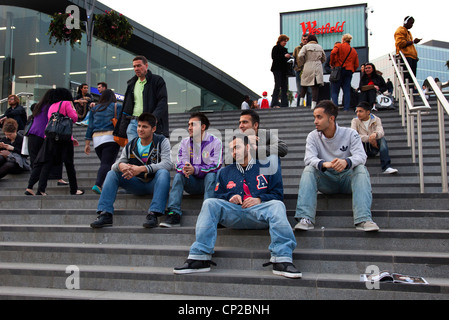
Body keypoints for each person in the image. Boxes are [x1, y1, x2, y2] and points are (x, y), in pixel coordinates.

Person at [173, 134, 301, 279]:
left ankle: (282, 259)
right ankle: (200, 257)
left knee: (277, 205)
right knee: (209, 203)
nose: (234, 152)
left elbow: (277, 194)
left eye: (237, 147)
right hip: (233, 213)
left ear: (248, 147)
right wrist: (229, 197)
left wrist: (259, 199)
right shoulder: (224, 172)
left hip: (258, 213)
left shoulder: (268, 167)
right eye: (231, 149)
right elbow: (217, 195)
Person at [294, 100, 379, 232]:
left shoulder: (350, 134)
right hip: (327, 181)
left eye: (319, 117)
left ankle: (364, 219)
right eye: (314, 117)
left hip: (347, 180)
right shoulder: (312, 136)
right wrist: (324, 164)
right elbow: (309, 159)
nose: (315, 121)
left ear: (331, 118)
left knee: (361, 168)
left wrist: (347, 162)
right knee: (309, 170)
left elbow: (361, 156)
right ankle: (305, 218)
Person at [90, 112, 172, 229]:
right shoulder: (131, 145)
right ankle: (105, 213)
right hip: (136, 184)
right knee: (112, 173)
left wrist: (142, 169)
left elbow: (168, 164)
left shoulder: (161, 141)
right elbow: (115, 165)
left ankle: (153, 214)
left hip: (154, 183)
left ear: (153, 129)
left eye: (144, 127)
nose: (140, 129)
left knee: (163, 172)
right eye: (139, 126)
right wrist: (122, 166)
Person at [164, 112, 223, 228]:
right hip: (191, 183)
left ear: (202, 127)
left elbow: (215, 165)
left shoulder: (215, 142)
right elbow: (179, 164)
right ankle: (174, 213)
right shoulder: (184, 142)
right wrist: (185, 169)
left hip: (208, 183)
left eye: (193, 125)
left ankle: (209, 214)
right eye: (189, 125)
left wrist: (195, 170)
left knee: (212, 175)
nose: (189, 128)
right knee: (178, 176)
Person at [26, 88, 84, 196]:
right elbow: (74, 118)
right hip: (65, 139)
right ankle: (74, 189)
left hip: (51, 138)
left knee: (47, 163)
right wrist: (72, 108)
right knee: (69, 164)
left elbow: (51, 122)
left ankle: (41, 190)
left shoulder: (52, 106)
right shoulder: (66, 103)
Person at [113, 56, 169, 142]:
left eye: (139, 65)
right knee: (134, 153)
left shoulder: (157, 80)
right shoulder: (131, 84)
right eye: (134, 66)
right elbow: (126, 106)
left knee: (150, 152)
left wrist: (153, 118)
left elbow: (162, 101)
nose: (136, 68)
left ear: (146, 65)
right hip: (133, 123)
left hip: (149, 123)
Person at [25, 89, 68, 189]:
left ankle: (32, 182)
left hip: (32, 134)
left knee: (35, 159)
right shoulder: (53, 107)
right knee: (55, 155)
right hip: (44, 134)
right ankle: (57, 178)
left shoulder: (38, 106)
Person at [84, 89, 123, 194]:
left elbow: (90, 126)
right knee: (107, 163)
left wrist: (87, 143)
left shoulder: (94, 109)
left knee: (107, 164)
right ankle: (98, 184)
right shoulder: (116, 106)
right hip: (110, 138)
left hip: (96, 140)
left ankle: (110, 184)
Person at [351, 102, 398, 174]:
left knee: (382, 140)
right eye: (357, 111)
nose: (358, 113)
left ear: (368, 112)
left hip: (373, 147)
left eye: (360, 111)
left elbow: (381, 132)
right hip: (362, 149)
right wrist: (370, 138)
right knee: (351, 141)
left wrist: (375, 134)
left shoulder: (376, 119)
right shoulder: (355, 121)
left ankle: (386, 167)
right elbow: (354, 135)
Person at [330, 34, 359, 111]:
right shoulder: (353, 50)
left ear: (343, 40)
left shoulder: (339, 46)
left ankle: (335, 108)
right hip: (349, 71)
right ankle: (346, 108)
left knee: (335, 91)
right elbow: (356, 64)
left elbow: (333, 53)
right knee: (346, 90)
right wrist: (352, 70)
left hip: (338, 69)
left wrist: (332, 63)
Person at [297, 34, 326, 110]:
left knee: (304, 84)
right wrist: (320, 62)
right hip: (317, 67)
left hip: (308, 65)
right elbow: (324, 58)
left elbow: (300, 55)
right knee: (315, 87)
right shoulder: (320, 47)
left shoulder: (305, 47)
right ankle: (313, 105)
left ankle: (301, 101)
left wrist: (303, 62)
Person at [394, 16, 421, 88]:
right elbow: (400, 44)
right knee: (407, 78)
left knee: (412, 79)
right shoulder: (400, 30)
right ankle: (408, 94)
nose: (412, 25)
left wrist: (415, 56)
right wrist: (413, 41)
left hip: (411, 57)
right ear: (405, 22)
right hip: (406, 57)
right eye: (411, 23)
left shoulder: (408, 32)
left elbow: (409, 44)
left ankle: (412, 93)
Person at [271, 35, 291, 108]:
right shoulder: (276, 48)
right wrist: (284, 56)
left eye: (286, 41)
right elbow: (273, 57)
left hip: (284, 70)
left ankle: (284, 103)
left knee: (284, 86)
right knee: (277, 85)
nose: (285, 43)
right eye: (284, 41)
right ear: (280, 41)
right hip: (277, 69)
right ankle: (274, 103)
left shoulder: (285, 49)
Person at [293, 34, 312, 107]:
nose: (305, 41)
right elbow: (294, 59)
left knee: (309, 90)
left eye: (306, 39)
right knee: (300, 90)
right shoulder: (297, 49)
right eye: (304, 39)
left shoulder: (310, 48)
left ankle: (309, 106)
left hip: (309, 70)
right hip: (299, 70)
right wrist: (296, 68)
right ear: (301, 40)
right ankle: (298, 107)